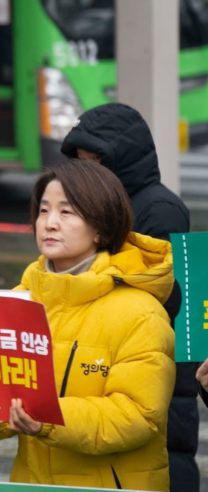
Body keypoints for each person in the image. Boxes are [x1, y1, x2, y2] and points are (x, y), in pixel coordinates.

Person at [0, 159, 175, 491]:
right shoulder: (20, 299)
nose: (50, 223)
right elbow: (9, 395)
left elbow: (137, 416)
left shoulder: (140, 311)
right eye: (43, 211)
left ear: (101, 227)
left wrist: (46, 417)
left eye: (67, 212)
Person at [61, 102, 195, 492]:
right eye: (81, 160)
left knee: (165, 462)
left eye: (97, 159)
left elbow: (161, 296)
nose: (88, 169)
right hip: (111, 360)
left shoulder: (159, 208)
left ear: (124, 158)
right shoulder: (96, 205)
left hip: (157, 366)